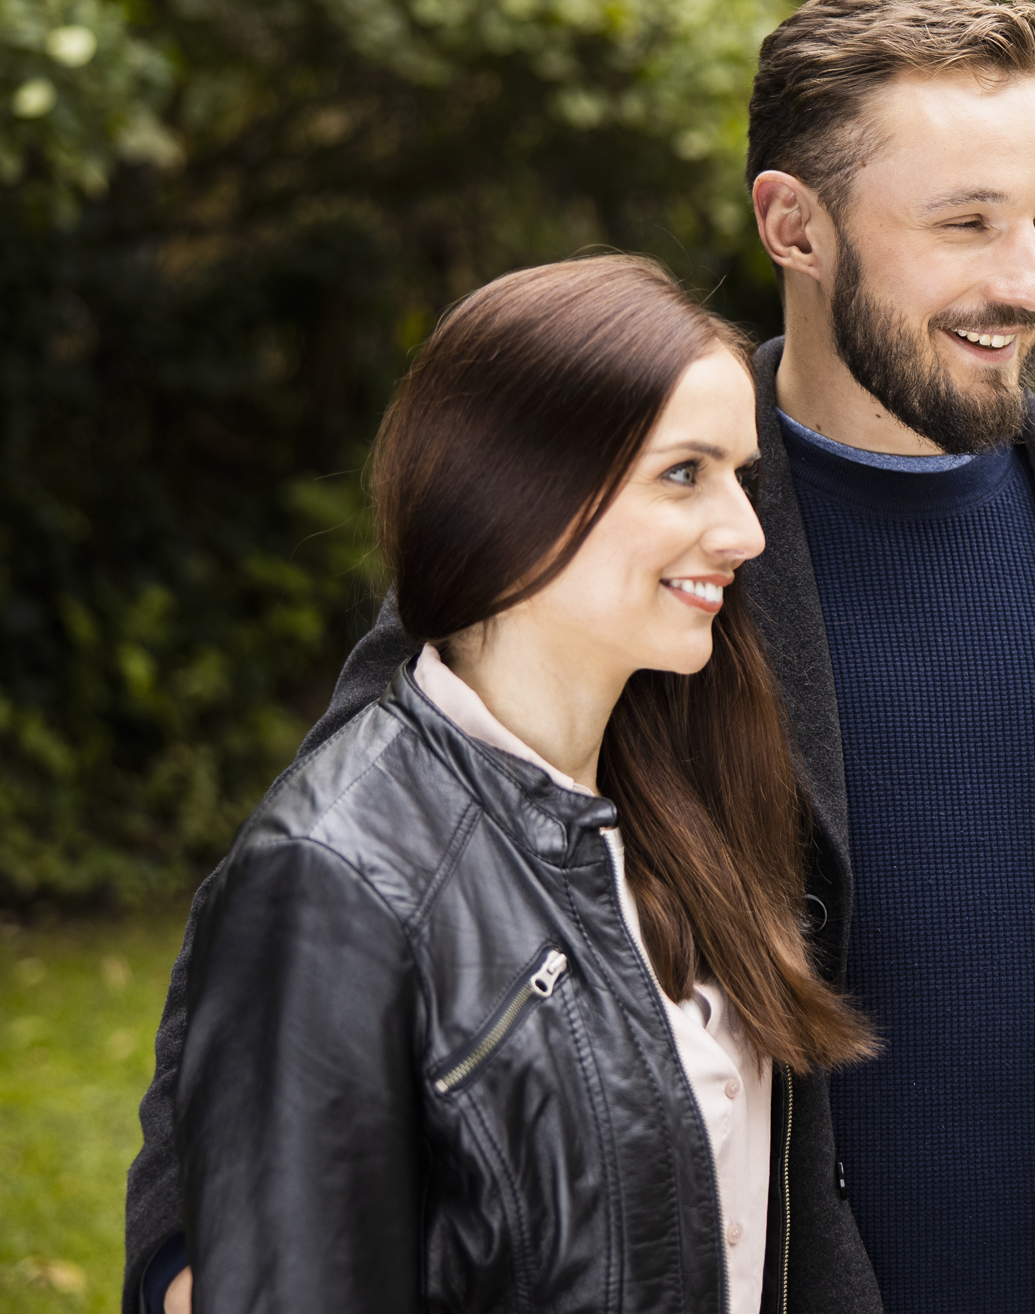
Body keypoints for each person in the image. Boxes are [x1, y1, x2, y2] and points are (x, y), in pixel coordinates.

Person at [126, 0, 1035, 1314]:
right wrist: (200, 1255)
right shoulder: (621, 540)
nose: (1026, 280)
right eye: (966, 224)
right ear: (796, 223)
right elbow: (339, 900)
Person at [168, 256, 877, 1311]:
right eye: (684, 472)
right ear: (515, 490)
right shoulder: (332, 878)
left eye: (743, 475)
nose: (745, 533)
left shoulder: (690, 798)